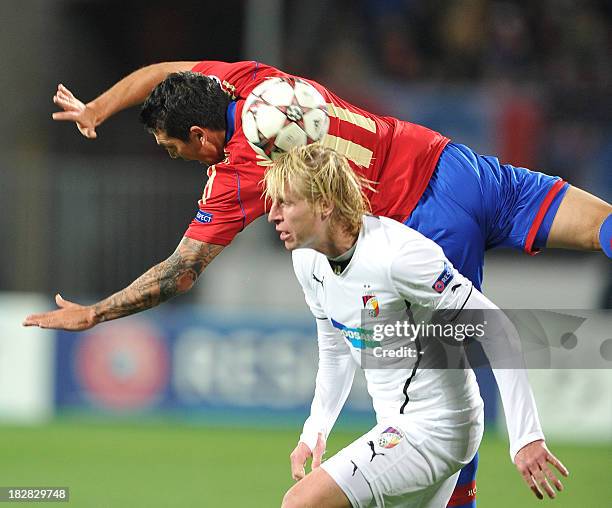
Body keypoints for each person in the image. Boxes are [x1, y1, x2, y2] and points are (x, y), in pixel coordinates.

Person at [23, 60, 608, 506]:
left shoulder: (242, 177)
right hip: (452, 162)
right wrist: (100, 107)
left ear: (204, 137)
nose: (183, 159)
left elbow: (180, 271)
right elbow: (165, 72)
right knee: (599, 225)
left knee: (436, 391)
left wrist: (96, 314)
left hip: (420, 228)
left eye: (177, 150)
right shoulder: (246, 82)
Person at [264, 144, 568, 507]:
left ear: (324, 204)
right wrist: (315, 430)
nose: (272, 215)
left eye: (285, 202)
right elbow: (335, 350)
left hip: (438, 427)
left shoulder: (397, 256)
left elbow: (497, 329)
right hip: (397, 422)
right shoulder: (307, 261)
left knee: (301, 503)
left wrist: (526, 436)